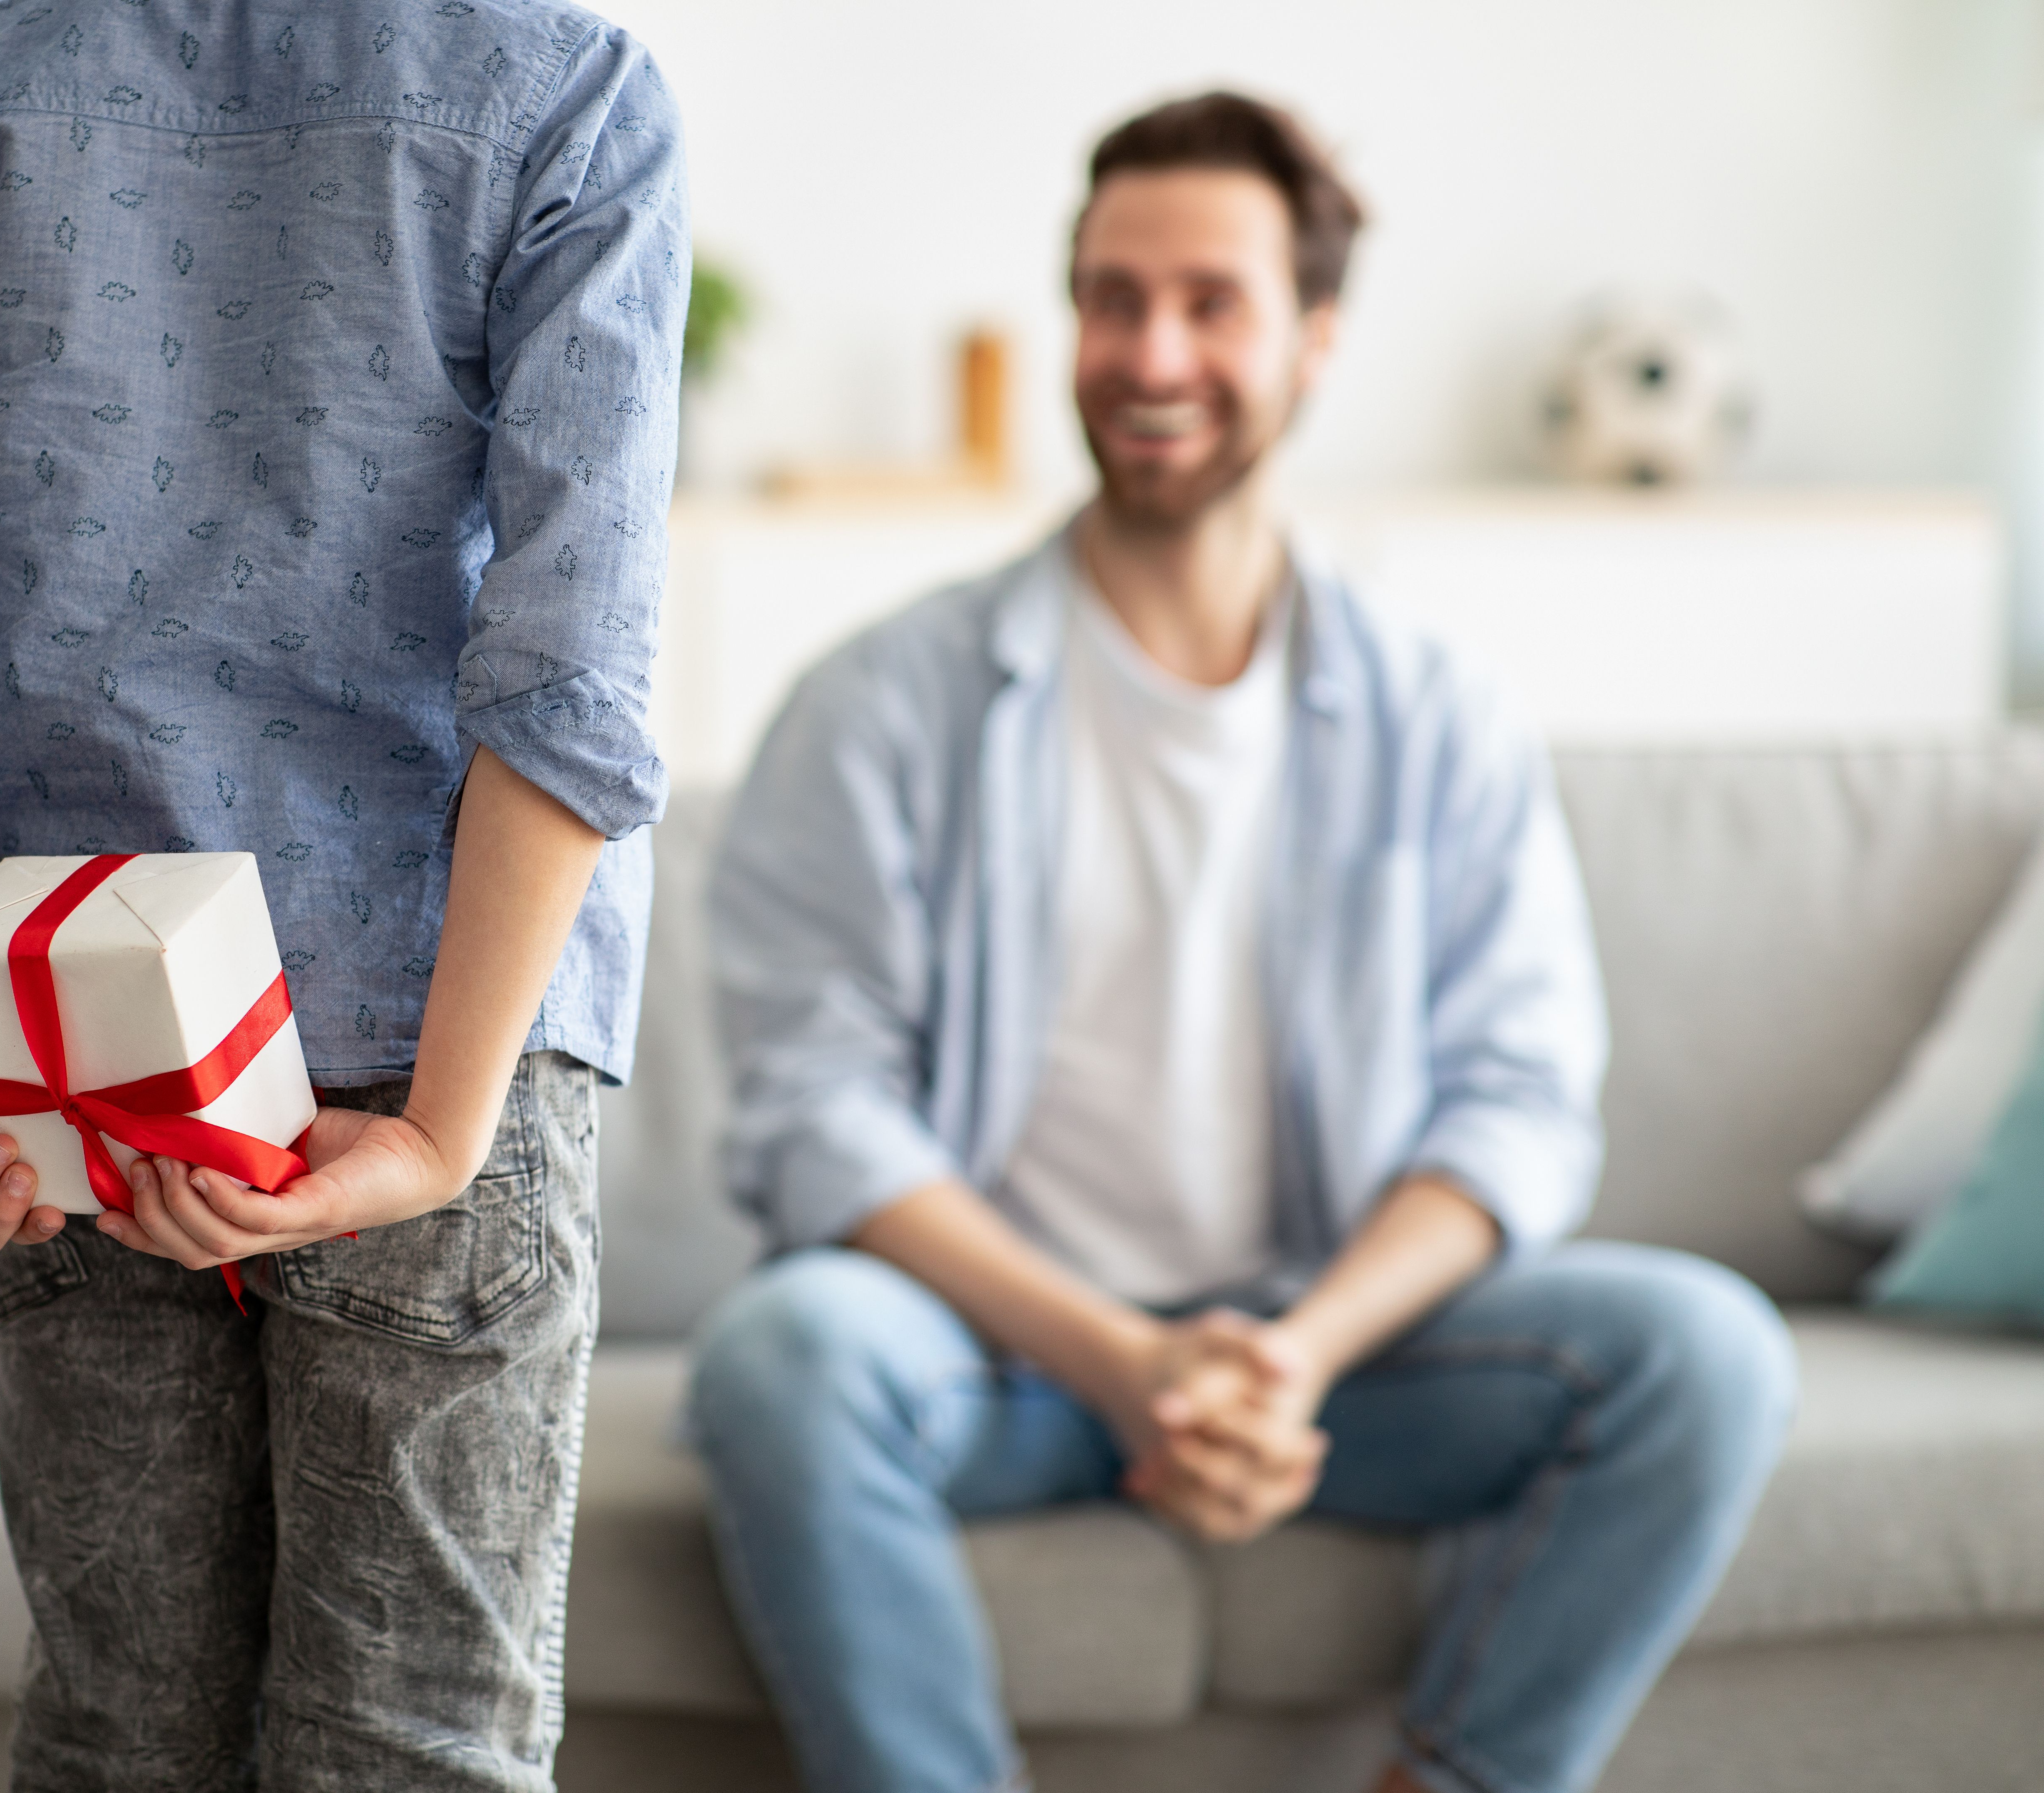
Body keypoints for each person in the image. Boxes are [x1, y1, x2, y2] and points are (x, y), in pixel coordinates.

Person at [687, 92, 1793, 1793]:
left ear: (1315, 338)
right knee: (781, 1356)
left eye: (1213, 301)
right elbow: (815, 1110)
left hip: (1324, 1358)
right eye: (1114, 297)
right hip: (1005, 1360)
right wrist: (1122, 1363)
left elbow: (1517, 1102)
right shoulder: (880, 703)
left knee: (1706, 1353)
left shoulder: (1442, 714)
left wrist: (1289, 1354)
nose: (1153, 352)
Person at [0, 3, 685, 1786]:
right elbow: (573, 663)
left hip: (65, 1047)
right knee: (418, 1750)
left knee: (119, 1739)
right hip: (428, 1035)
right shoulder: (566, 91)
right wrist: (448, 1128)